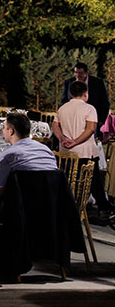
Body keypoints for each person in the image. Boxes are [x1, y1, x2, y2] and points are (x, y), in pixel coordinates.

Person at [0, 113, 58, 225]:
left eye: (4, 128)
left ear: (11, 131)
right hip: (48, 204)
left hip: (19, 207)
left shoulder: (9, 155)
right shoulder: (46, 151)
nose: (3, 131)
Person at [55, 80, 111, 218]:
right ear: (86, 93)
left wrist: (62, 138)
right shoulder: (89, 109)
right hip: (85, 152)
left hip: (66, 152)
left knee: (69, 180)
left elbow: (55, 126)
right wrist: (75, 141)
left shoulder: (62, 108)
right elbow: (91, 129)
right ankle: (103, 208)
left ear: (70, 93)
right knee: (93, 181)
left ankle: (69, 205)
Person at [62, 62, 111, 136]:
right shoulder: (68, 82)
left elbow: (105, 102)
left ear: (87, 72)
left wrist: (101, 120)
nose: (78, 75)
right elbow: (64, 100)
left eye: (80, 73)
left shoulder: (98, 83)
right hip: (72, 120)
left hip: (92, 120)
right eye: (76, 72)